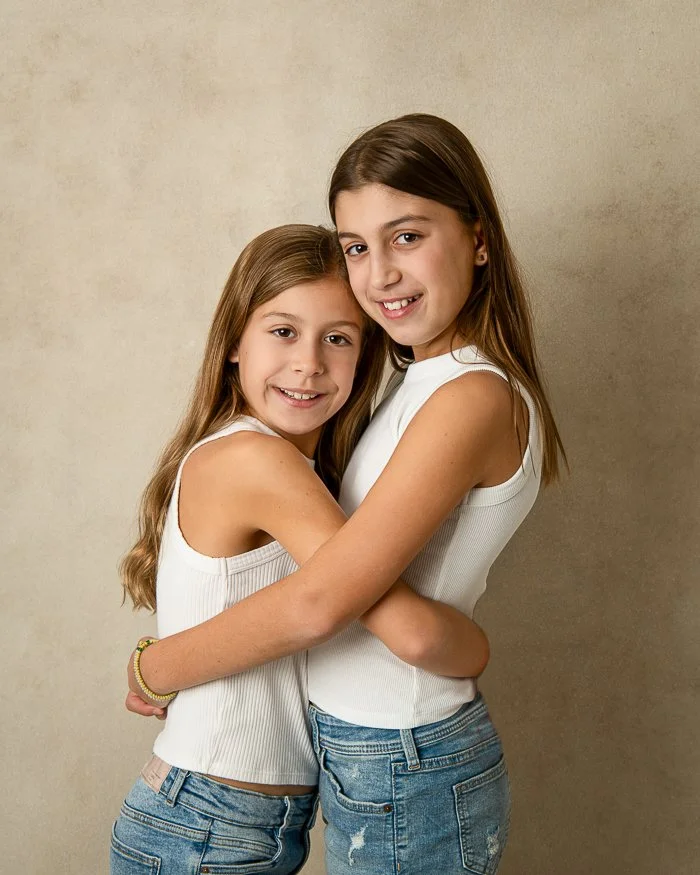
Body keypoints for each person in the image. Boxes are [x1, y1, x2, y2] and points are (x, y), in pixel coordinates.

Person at [126, 114, 566, 874]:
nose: (381, 274)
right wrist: (459, 642)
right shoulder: (414, 383)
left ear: (479, 238)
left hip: (403, 750)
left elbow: (323, 600)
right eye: (358, 246)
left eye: (408, 236)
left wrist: (151, 668)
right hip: (371, 753)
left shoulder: (469, 395)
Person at [111, 222, 490, 875]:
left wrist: (154, 664)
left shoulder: (294, 468)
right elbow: (356, 615)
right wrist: (478, 648)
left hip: (230, 821)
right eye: (283, 331)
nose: (309, 362)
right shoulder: (255, 458)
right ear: (234, 341)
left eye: (337, 338)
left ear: (365, 354)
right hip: (207, 824)